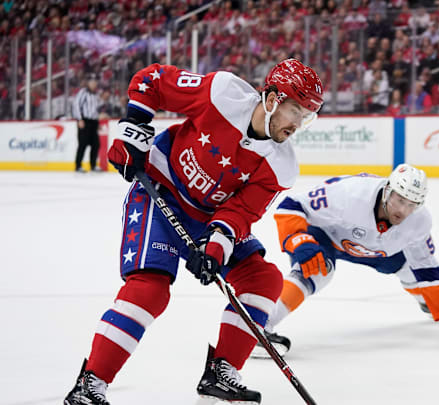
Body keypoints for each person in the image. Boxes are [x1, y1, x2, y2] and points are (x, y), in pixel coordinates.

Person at [63, 59, 323, 405]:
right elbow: (151, 80)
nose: (298, 123)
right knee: (150, 290)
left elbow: (242, 211)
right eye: (295, 110)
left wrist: (216, 246)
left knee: (264, 280)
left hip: (206, 217)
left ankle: (222, 370)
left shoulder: (282, 164)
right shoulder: (223, 94)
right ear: (273, 98)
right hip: (161, 190)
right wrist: (134, 130)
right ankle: (89, 384)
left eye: (306, 115)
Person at [255, 164, 439, 357]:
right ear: (388, 191)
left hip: (374, 249)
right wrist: (298, 239)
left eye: (411, 205)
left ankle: (428, 304)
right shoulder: (350, 194)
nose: (403, 210)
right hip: (326, 235)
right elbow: (292, 205)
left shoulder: (419, 221)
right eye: (400, 200)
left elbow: (426, 266)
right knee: (317, 270)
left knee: (409, 268)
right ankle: (259, 324)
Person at [72, 76, 101, 172]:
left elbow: (96, 109)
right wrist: (79, 119)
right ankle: (78, 165)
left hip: (93, 122)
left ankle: (93, 165)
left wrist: (97, 121)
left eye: (95, 83)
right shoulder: (83, 92)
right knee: (82, 144)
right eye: (92, 82)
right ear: (88, 83)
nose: (94, 84)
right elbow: (76, 105)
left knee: (95, 144)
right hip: (85, 121)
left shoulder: (95, 94)